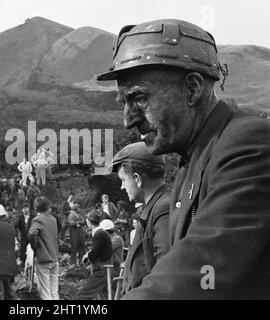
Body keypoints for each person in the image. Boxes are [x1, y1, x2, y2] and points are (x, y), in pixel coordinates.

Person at [97, 18, 270, 299]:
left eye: (138, 98)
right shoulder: (191, 162)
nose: (128, 119)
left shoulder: (248, 143)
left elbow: (204, 266)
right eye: (124, 103)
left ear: (192, 88)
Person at [108, 142, 170, 293]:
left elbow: (166, 276)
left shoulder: (163, 211)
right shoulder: (156, 207)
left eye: (123, 180)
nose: (123, 187)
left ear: (137, 179)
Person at [76, 210, 113, 300]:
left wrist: (87, 256)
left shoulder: (99, 234)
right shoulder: (101, 233)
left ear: (89, 222)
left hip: (102, 270)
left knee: (82, 295)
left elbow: (95, 253)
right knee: (104, 296)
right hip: (103, 269)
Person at [28, 196, 59, 300]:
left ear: (35, 208)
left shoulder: (38, 219)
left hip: (43, 258)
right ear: (48, 207)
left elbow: (32, 233)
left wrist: (35, 247)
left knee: (45, 292)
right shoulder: (53, 219)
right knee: (54, 292)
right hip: (55, 257)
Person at [16, 203, 36, 268]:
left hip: (31, 236)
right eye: (24, 208)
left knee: (32, 249)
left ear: (29, 209)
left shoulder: (33, 217)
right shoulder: (21, 217)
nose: (25, 210)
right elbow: (17, 226)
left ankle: (32, 262)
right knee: (23, 250)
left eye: (26, 208)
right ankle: (23, 264)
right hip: (23, 236)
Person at [67, 202, 85, 266]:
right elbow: (71, 223)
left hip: (80, 234)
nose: (79, 209)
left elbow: (83, 221)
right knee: (74, 248)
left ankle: (81, 262)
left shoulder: (79, 215)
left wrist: (77, 223)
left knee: (82, 248)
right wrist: (78, 223)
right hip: (74, 235)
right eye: (78, 208)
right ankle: (73, 263)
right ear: (76, 209)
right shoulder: (70, 215)